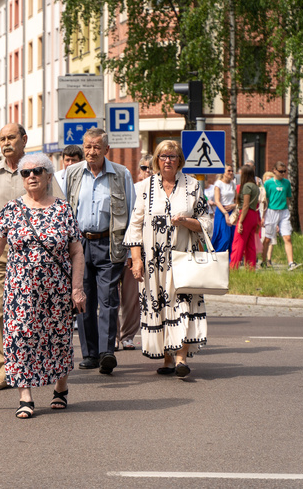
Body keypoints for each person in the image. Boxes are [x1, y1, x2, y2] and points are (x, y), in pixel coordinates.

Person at [0, 153, 85, 418]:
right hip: (20, 290)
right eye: (26, 173)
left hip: (56, 290)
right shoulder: (12, 210)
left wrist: (77, 288)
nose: (31, 176)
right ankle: (25, 397)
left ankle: (60, 387)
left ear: (49, 176)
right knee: (19, 338)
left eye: (37, 171)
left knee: (57, 340)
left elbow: (76, 252)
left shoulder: (63, 209)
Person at [0, 123, 62, 390]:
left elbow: (59, 207)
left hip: (36, 256)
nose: (5, 142)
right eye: (1, 138)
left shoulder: (38, 168)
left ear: (24, 139)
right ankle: (5, 369)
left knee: (36, 313)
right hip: (0, 252)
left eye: (11, 137)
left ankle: (37, 363)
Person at [126, 140, 210, 377]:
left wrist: (185, 221)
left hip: (183, 258)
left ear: (180, 160)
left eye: (172, 156)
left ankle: (181, 358)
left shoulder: (193, 185)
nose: (168, 161)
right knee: (161, 307)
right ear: (156, 160)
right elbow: (135, 225)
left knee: (182, 305)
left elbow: (206, 223)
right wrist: (136, 260)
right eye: (163, 156)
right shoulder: (143, 187)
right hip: (153, 262)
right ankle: (166, 358)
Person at [64, 128, 134, 375]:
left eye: (96, 147)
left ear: (106, 149)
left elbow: (132, 214)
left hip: (109, 243)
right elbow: (62, 210)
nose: (91, 151)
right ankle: (90, 354)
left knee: (108, 300)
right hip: (79, 245)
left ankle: (106, 352)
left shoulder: (121, 174)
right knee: (82, 298)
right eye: (88, 146)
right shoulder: (71, 174)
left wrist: (130, 253)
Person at [116, 154, 153, 351]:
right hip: (118, 245)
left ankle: (128, 335)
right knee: (111, 295)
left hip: (141, 248)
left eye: (151, 168)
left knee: (132, 297)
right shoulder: (133, 188)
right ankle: (113, 336)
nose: (148, 171)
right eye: (145, 168)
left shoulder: (159, 190)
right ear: (139, 171)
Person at [262, 162, 300, 271]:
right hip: (271, 211)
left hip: (284, 211)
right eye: (280, 171)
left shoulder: (287, 183)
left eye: (284, 171)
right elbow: (266, 200)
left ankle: (291, 263)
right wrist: (264, 216)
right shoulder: (268, 183)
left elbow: (288, 198)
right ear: (274, 170)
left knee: (287, 237)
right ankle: (264, 261)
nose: (283, 174)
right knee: (268, 238)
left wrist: (287, 210)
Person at [230, 164, 261, 270]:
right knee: (250, 245)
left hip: (246, 215)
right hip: (253, 215)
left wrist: (241, 222)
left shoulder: (247, 186)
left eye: (241, 173)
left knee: (238, 243)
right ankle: (250, 269)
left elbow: (245, 205)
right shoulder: (255, 186)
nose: (239, 175)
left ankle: (233, 268)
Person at [211, 164, 237, 253]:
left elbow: (237, 200)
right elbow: (217, 201)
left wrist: (233, 205)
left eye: (232, 171)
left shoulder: (233, 184)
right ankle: (217, 255)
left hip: (232, 212)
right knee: (223, 237)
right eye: (229, 171)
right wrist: (225, 214)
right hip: (222, 212)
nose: (231, 173)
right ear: (223, 172)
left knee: (231, 237)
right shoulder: (219, 184)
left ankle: (230, 261)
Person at [259, 171, 275, 267]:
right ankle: (262, 258)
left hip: (271, 214)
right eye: (266, 179)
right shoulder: (260, 190)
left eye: (270, 179)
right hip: (260, 212)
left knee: (271, 238)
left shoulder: (273, 191)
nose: (268, 181)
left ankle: (268, 259)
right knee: (262, 238)